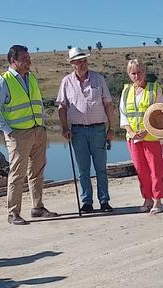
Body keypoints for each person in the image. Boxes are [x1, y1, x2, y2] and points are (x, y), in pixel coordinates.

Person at [0, 44, 59, 225]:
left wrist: (42, 125)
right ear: (13, 61)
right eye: (24, 59)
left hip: (37, 131)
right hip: (18, 135)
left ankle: (38, 207)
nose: (28, 62)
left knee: (37, 172)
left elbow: (38, 103)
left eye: (29, 58)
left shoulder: (31, 78)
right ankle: (13, 213)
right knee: (17, 174)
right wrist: (9, 131)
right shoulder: (3, 81)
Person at [57, 47, 117, 214]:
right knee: (83, 169)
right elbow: (62, 107)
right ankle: (87, 202)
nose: (82, 64)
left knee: (101, 168)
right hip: (78, 131)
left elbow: (108, 104)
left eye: (84, 60)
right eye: (78, 61)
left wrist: (111, 128)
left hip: (98, 129)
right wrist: (64, 128)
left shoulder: (98, 79)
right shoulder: (66, 82)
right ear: (72, 64)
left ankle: (104, 201)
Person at [120, 59, 163, 215]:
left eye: (139, 72)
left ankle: (158, 200)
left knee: (156, 170)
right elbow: (124, 115)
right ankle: (147, 198)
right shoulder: (126, 91)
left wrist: (148, 131)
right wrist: (131, 132)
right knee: (141, 171)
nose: (136, 76)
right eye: (133, 73)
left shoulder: (154, 89)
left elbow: (160, 113)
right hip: (133, 138)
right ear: (129, 74)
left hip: (152, 137)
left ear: (144, 72)